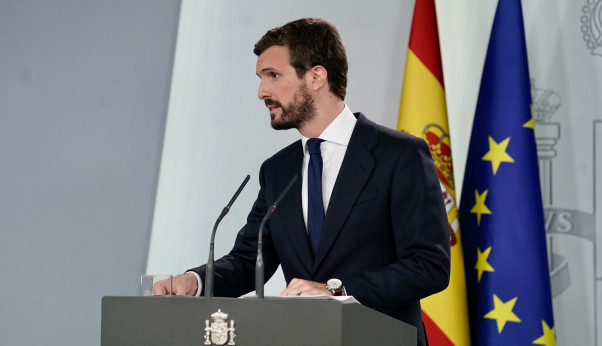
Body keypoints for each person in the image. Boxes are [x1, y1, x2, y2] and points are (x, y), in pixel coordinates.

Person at [153, 18, 450, 346]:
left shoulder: (400, 154)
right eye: (261, 78)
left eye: (274, 76)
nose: (262, 91)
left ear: (317, 76)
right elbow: (248, 260)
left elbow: (429, 265)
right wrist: (194, 281)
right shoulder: (277, 170)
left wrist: (336, 291)